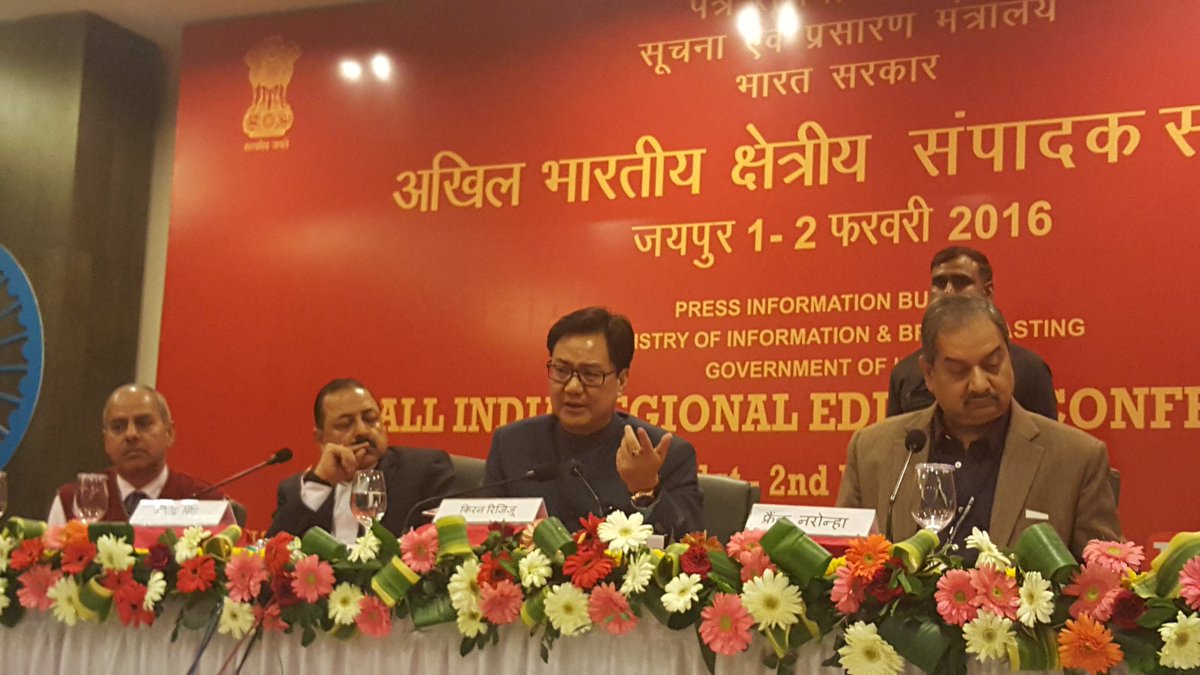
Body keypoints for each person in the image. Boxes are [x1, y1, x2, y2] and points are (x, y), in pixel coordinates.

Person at [837, 295, 1121, 558]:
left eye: (992, 364)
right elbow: (843, 568)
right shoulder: (871, 451)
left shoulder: (1076, 458)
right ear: (929, 374)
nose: (980, 384)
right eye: (958, 371)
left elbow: (1107, 581)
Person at [484, 307, 703, 538]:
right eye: (561, 370)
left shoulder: (666, 454)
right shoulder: (511, 444)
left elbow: (691, 546)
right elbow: (482, 536)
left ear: (621, 381)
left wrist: (646, 488)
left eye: (590, 375)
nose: (572, 387)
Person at [267, 378, 454, 542]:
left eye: (371, 419)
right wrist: (321, 483)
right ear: (320, 438)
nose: (362, 431)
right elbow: (272, 554)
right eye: (344, 424)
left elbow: (440, 549)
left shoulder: (424, 471)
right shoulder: (298, 491)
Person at [887, 246, 1058, 419]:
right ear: (928, 372)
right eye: (940, 283)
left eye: (961, 282)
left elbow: (1043, 434)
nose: (948, 292)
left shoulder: (1030, 369)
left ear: (987, 291)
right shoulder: (904, 373)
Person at [48, 384, 222, 524]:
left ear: (169, 433)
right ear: (105, 440)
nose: (131, 434)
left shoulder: (207, 502)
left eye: (143, 423)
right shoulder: (72, 501)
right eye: (118, 427)